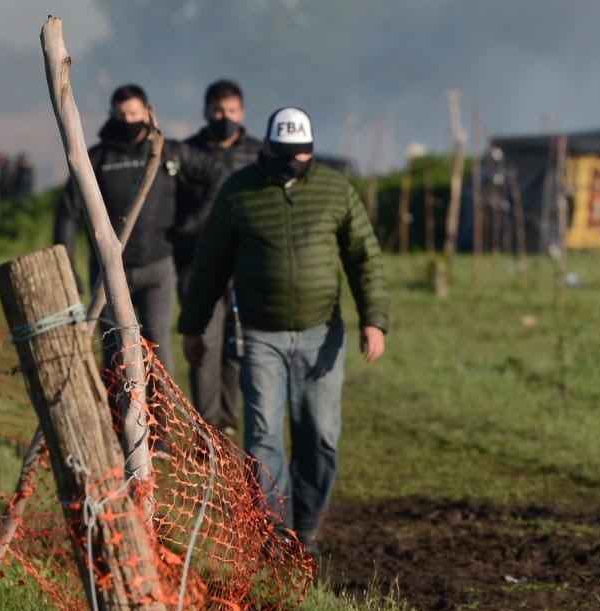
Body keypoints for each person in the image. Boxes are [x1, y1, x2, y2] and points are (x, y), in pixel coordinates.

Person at [178, 106, 389, 555]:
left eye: (301, 154)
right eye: (284, 153)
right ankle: (275, 533)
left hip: (321, 335)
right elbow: (210, 264)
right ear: (267, 147)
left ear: (310, 151)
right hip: (260, 335)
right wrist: (194, 327)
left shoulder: (335, 191)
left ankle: (306, 528)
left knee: (320, 434)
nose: (292, 162)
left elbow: (363, 257)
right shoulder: (240, 192)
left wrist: (373, 319)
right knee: (263, 437)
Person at [54, 83, 228, 376]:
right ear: (111, 114)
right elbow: (67, 214)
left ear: (147, 113)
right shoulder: (95, 159)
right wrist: (66, 267)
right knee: (113, 351)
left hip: (157, 267)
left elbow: (218, 177)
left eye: (134, 114)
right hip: (107, 271)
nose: (128, 121)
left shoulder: (168, 152)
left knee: (156, 348)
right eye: (121, 115)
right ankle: (118, 419)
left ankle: (160, 417)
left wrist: (195, 223)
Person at [173, 79, 263, 436]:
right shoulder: (187, 152)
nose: (224, 117)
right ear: (206, 111)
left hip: (244, 263)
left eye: (231, 111)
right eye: (217, 111)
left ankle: (227, 420)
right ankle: (205, 426)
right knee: (202, 343)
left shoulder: (258, 153)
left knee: (235, 345)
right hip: (197, 264)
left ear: (242, 113)